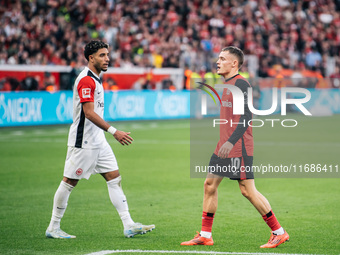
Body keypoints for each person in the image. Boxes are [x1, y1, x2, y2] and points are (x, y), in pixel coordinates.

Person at [181, 46, 289, 248]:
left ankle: (279, 232)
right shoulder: (228, 84)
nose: (218, 62)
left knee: (248, 191)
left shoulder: (241, 84)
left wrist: (231, 142)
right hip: (224, 146)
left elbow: (247, 118)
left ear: (234, 63)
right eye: (218, 58)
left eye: (222, 58)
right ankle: (205, 235)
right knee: (209, 185)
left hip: (239, 146)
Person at [45, 40, 155, 239]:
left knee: (114, 178)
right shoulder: (86, 79)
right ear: (91, 58)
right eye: (102, 55)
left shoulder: (95, 79)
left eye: (107, 55)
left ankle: (128, 224)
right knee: (69, 181)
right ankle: (53, 227)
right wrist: (114, 131)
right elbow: (88, 113)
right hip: (84, 142)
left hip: (98, 142)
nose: (107, 59)